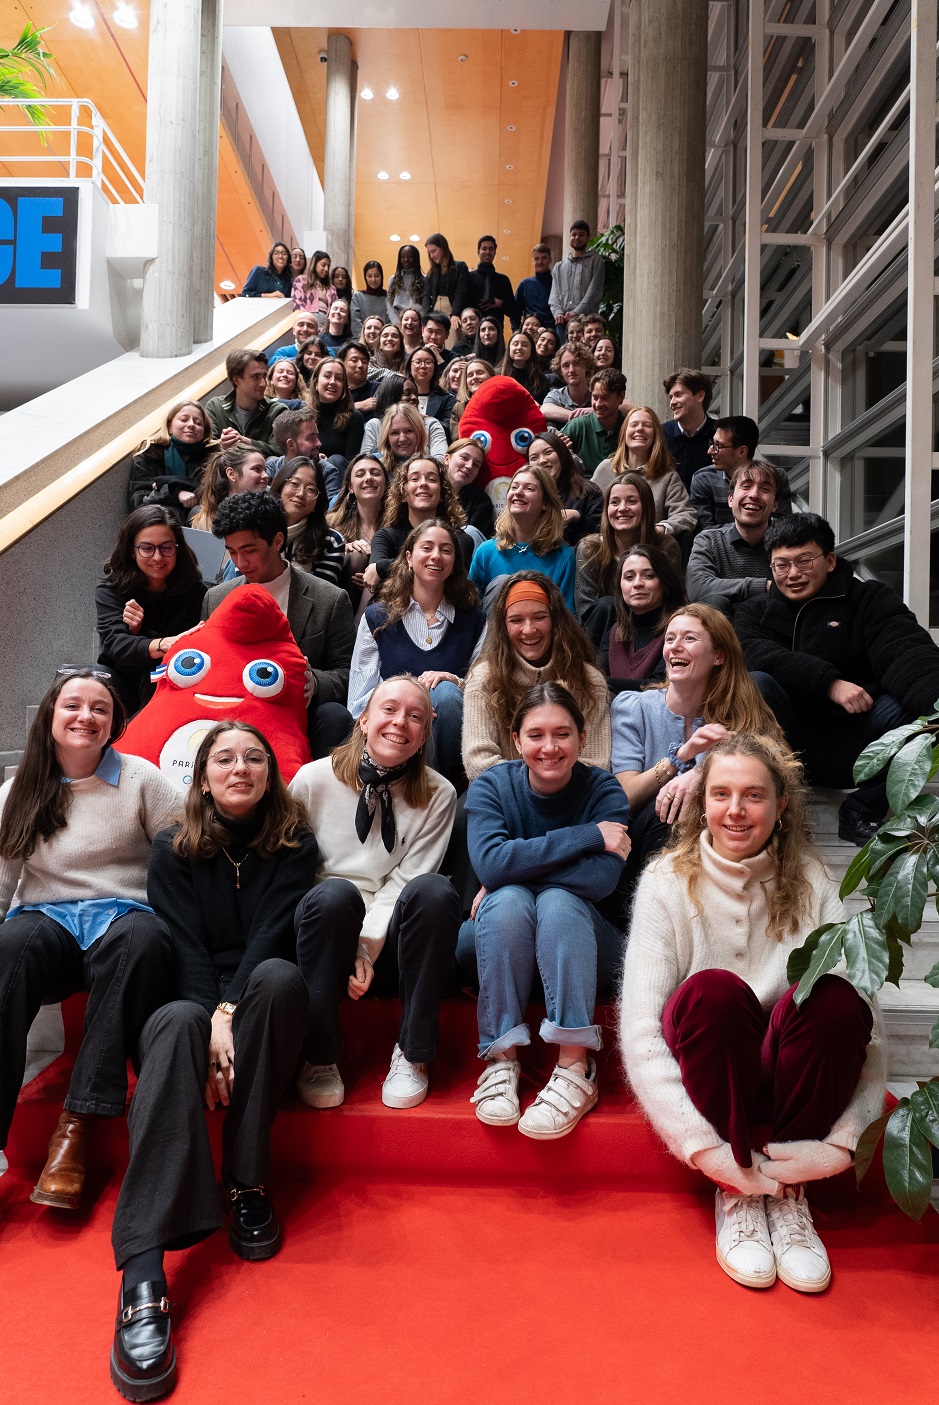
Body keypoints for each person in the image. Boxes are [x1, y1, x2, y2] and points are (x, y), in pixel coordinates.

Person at [620, 734, 886, 1293]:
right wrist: (707, 1150)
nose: (735, 811)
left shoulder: (813, 881)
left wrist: (838, 1145)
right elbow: (641, 1033)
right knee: (711, 991)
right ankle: (741, 1191)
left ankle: (788, 1194)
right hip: (711, 1069)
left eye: (753, 796)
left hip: (794, 1075)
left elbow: (871, 1029)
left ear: (781, 804)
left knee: (837, 998)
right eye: (721, 794)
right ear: (702, 803)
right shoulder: (666, 881)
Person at [109, 723, 315, 1399]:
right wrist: (207, 1024)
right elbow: (184, 943)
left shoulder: (291, 841)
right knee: (175, 1021)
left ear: (269, 773)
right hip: (186, 997)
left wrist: (227, 1014)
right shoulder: (172, 845)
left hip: (252, 996)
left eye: (254, 757)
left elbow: (269, 934)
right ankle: (142, 1273)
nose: (240, 767)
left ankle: (246, 1183)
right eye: (224, 757)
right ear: (201, 775)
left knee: (283, 976)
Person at [0, 669, 178, 1215]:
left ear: (114, 723)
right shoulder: (17, 789)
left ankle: (75, 1127)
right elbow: (6, 881)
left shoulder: (142, 779)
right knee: (10, 948)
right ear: (50, 718)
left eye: (99, 708)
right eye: (73, 705)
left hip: (124, 915)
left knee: (143, 938)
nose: (85, 716)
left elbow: (181, 852)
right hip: (46, 921)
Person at [460, 683, 630, 1136]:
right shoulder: (492, 785)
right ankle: (501, 1060)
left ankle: (576, 1068)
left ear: (581, 737)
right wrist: (589, 836)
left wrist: (506, 877)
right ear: (515, 740)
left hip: (583, 943)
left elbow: (600, 881)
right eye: (535, 735)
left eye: (562, 734)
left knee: (553, 900)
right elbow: (491, 865)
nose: (549, 748)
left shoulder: (604, 790)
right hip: (504, 934)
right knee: (509, 902)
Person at [291, 676, 459, 1111]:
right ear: (364, 719)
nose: (400, 722)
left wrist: (364, 946)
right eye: (389, 710)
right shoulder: (312, 779)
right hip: (323, 933)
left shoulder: (439, 794)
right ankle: (319, 1055)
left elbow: (408, 881)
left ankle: (413, 1053)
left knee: (435, 893)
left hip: (385, 941)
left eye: (415, 716)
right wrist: (347, 945)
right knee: (334, 897)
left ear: (424, 735)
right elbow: (293, 873)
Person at [736, 511, 939, 845]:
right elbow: (754, 653)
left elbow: (905, 651)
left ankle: (862, 810)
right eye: (782, 565)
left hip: (864, 743)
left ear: (830, 560)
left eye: (804, 560)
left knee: (920, 712)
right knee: (756, 683)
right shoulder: (755, 611)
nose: (793, 574)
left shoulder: (869, 599)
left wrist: (936, 703)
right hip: (792, 747)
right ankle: (774, 808)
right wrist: (827, 683)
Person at [611, 603, 780, 881]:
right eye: (669, 639)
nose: (675, 646)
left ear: (718, 656)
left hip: (718, 841)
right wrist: (680, 759)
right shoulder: (634, 707)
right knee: (671, 807)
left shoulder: (742, 708)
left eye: (689, 638)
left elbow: (774, 760)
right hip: (642, 846)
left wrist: (701, 774)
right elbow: (625, 797)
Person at [203, 492, 354, 758]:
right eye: (232, 552)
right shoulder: (216, 599)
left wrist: (313, 682)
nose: (240, 564)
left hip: (296, 717)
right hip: (230, 716)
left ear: (277, 541)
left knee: (335, 715)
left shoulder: (330, 599)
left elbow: (346, 672)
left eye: (249, 551)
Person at [349, 521, 486, 784]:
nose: (436, 556)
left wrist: (455, 683)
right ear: (409, 558)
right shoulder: (377, 617)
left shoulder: (475, 621)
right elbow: (358, 704)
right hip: (392, 737)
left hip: (449, 740)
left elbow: (485, 694)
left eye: (446, 550)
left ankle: (437, 795)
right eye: (427, 547)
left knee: (445, 695)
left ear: (454, 562)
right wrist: (412, 704)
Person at [463, 572, 611, 781]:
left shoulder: (589, 680)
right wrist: (534, 786)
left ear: (556, 620)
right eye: (516, 620)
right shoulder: (483, 678)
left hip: (575, 801)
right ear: (503, 627)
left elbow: (596, 764)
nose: (529, 629)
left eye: (539, 617)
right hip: (503, 797)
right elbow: (478, 761)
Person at [96, 507, 207, 714]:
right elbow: (114, 645)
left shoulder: (196, 592)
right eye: (147, 548)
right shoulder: (112, 590)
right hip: (123, 682)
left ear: (178, 548)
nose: (157, 557)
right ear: (132, 550)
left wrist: (141, 634)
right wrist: (164, 643)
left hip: (173, 682)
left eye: (166, 548)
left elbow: (191, 650)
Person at [574, 472, 682, 622]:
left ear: (646, 507)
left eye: (632, 501)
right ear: (606, 509)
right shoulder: (590, 549)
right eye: (615, 502)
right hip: (603, 632)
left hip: (654, 629)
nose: (622, 508)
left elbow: (673, 601)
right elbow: (587, 610)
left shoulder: (666, 546)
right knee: (605, 605)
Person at [468, 464, 577, 612]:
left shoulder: (563, 557)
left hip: (541, 632)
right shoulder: (486, 552)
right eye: (514, 487)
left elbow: (568, 617)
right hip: (493, 633)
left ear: (545, 503)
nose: (518, 492)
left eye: (529, 488)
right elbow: (470, 609)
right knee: (501, 583)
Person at [686, 461, 783, 615]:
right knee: (714, 602)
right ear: (730, 499)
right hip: (723, 632)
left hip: (774, 626)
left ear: (775, 505)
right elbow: (698, 587)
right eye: (746, 486)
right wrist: (764, 586)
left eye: (765, 489)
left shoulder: (787, 542)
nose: (754, 495)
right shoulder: (709, 540)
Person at [365, 454, 472, 587]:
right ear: (403, 493)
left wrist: (383, 567)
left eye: (432, 479)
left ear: (442, 493)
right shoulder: (386, 537)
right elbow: (372, 578)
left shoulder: (461, 540)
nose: (423, 484)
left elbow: (452, 582)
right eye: (414, 479)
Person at [594, 406, 697, 541]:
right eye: (634, 425)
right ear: (624, 432)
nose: (640, 429)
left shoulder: (667, 476)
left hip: (650, 549)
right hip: (610, 547)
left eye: (647, 425)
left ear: (656, 435)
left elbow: (686, 514)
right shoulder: (605, 469)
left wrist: (659, 529)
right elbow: (590, 511)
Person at [595, 545, 688, 694]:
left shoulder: (680, 630)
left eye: (648, 575)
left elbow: (657, 686)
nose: (637, 583)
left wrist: (599, 683)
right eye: (629, 577)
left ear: (665, 584)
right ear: (620, 588)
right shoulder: (614, 632)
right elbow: (595, 678)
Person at [691, 415, 792, 529]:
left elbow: (784, 525)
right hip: (718, 545)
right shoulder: (703, 478)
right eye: (712, 443)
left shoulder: (775, 476)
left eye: (718, 445)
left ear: (742, 451)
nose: (710, 451)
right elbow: (704, 529)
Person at [127, 400, 214, 516]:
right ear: (169, 427)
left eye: (198, 422)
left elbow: (216, 496)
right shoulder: (149, 454)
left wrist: (165, 483)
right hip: (161, 523)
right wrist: (175, 493)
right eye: (184, 420)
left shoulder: (213, 457)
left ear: (204, 432)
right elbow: (138, 502)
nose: (191, 424)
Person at [270, 457, 345, 586]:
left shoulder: (331, 541)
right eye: (294, 484)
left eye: (310, 489)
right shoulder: (258, 530)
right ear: (280, 486)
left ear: (318, 500)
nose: (300, 494)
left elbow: (322, 597)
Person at [327, 453, 389, 603]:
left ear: (386, 483)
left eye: (375, 473)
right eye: (360, 474)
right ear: (350, 487)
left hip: (387, 598)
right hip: (343, 597)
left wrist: (377, 578)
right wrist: (343, 549)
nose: (368, 478)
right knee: (356, 555)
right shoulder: (333, 522)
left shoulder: (398, 522)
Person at [205, 349, 286, 457]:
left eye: (264, 376)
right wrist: (221, 444)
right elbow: (205, 450)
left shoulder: (278, 411)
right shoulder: (215, 407)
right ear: (236, 380)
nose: (263, 383)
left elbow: (281, 452)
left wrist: (247, 442)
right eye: (255, 377)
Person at [528, 429, 602, 546]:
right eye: (534, 458)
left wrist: (577, 516)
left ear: (562, 454)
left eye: (548, 452)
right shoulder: (526, 495)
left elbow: (603, 535)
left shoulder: (589, 491)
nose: (542, 461)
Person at [306, 357, 366, 496]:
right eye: (327, 376)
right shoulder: (303, 416)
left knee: (336, 460)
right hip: (307, 474)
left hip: (337, 479)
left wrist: (328, 464)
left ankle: (334, 511)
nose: (333, 382)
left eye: (339, 379)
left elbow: (351, 461)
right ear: (315, 382)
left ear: (344, 386)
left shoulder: (354, 417)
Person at [189, 445, 269, 534]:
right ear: (231, 474)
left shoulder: (271, 513)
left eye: (265, 470)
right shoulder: (204, 521)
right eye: (257, 469)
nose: (266, 475)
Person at [563, 369, 630, 476]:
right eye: (594, 397)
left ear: (620, 397)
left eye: (605, 398)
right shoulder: (578, 426)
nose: (598, 404)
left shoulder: (629, 428)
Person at [662, 368, 717, 490]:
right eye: (671, 397)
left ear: (700, 396)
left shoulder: (720, 434)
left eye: (678, 395)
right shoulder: (660, 434)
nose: (672, 402)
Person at [549, 221, 605, 336]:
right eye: (574, 234)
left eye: (581, 234)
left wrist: (576, 312)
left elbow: (594, 292)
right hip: (563, 323)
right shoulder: (559, 267)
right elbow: (554, 295)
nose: (577, 237)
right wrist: (558, 312)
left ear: (588, 237)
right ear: (569, 237)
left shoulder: (596, 260)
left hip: (587, 322)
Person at [363, 397, 448, 472]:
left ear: (419, 433)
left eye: (408, 431)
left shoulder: (432, 469)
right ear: (387, 437)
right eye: (395, 433)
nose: (402, 438)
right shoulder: (375, 467)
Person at [422, 233, 469, 343]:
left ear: (443, 248)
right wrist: (425, 317)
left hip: (452, 311)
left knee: (452, 344)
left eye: (434, 251)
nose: (432, 256)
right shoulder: (431, 272)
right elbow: (426, 295)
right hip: (435, 312)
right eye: (429, 253)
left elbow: (461, 292)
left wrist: (455, 314)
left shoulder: (460, 266)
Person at [444, 437, 494, 540]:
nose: (469, 466)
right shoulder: (429, 491)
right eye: (464, 458)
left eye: (476, 465)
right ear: (447, 459)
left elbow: (472, 542)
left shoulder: (480, 502)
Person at [468, 235, 517, 331]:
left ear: (495, 252)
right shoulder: (469, 278)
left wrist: (500, 303)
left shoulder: (503, 280)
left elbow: (513, 311)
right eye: (484, 248)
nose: (487, 252)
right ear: (478, 252)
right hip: (474, 332)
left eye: (491, 249)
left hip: (496, 331)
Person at [541, 341, 595, 425]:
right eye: (566, 365)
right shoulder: (557, 395)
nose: (571, 370)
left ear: (586, 366)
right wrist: (581, 417)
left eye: (576, 363)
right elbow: (544, 410)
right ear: (560, 371)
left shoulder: (598, 390)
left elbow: (621, 405)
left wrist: (594, 410)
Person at [405, 345, 455, 433]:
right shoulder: (399, 395)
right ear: (410, 367)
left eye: (428, 362)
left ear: (435, 368)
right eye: (418, 362)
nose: (423, 366)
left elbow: (449, 429)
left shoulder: (447, 399)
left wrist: (425, 420)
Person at [265, 407, 321, 481]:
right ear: (291, 445)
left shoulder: (327, 471)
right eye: (310, 438)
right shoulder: (271, 468)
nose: (319, 443)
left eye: (317, 436)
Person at [514, 242, 556, 332]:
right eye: (536, 259)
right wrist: (516, 332)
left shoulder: (557, 284)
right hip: (529, 333)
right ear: (532, 261)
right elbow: (515, 313)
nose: (540, 262)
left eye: (544, 258)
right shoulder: (524, 284)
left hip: (551, 334)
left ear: (550, 259)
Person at [450, 357, 495, 439]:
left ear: (492, 377)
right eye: (470, 375)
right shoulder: (459, 408)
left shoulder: (503, 402)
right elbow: (457, 441)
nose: (475, 377)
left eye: (480, 373)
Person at [499, 330, 548, 403]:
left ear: (532, 350)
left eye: (524, 345)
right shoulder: (497, 375)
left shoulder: (541, 380)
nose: (519, 347)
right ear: (509, 349)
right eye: (515, 344)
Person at [349, 261, 393, 337]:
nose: (373, 279)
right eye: (369, 276)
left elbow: (391, 322)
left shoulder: (388, 298)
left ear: (381, 276)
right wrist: (364, 340)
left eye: (376, 276)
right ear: (365, 277)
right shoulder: (357, 297)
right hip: (362, 341)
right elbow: (356, 323)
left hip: (383, 342)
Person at [338, 341, 380, 418]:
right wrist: (356, 406)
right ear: (342, 363)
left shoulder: (377, 389)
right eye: (354, 360)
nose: (360, 365)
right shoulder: (336, 390)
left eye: (364, 362)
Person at [387, 243, 425, 320]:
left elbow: (426, 305)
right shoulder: (393, 279)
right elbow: (389, 305)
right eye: (402, 257)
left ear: (416, 258)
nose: (406, 260)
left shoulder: (424, 279)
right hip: (397, 323)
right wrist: (396, 324)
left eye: (410, 256)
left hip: (417, 322)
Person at [292, 249, 332, 317]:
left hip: (327, 322)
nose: (326, 269)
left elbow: (335, 307)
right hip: (307, 319)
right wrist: (307, 319)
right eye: (323, 265)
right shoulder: (301, 280)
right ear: (315, 264)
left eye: (328, 266)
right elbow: (296, 304)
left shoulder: (331, 287)